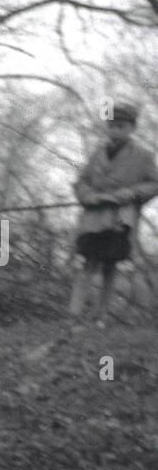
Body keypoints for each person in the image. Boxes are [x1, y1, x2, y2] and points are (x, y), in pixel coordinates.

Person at [69, 100, 158, 325]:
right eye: (112, 125)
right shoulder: (97, 153)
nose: (116, 130)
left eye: (122, 126)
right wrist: (90, 196)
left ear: (132, 129)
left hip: (120, 219)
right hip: (93, 219)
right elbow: (81, 182)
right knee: (87, 264)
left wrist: (129, 193)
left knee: (110, 265)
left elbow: (154, 183)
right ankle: (74, 316)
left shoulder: (143, 156)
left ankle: (101, 318)